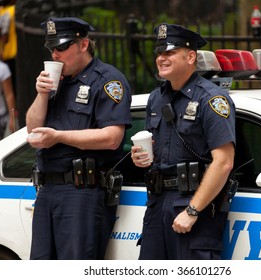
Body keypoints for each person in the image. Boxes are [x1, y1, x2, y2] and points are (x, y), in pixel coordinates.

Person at [26, 17, 132, 260]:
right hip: (47, 188)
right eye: (52, 48)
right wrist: (42, 95)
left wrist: (59, 137)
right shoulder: (54, 81)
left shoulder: (107, 81)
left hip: (82, 190)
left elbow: (112, 138)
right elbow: (31, 129)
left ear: (83, 45)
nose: (55, 55)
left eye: (62, 48)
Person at [131, 23, 236, 260]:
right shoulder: (156, 98)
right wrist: (140, 158)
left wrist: (193, 209)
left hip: (193, 202)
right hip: (157, 203)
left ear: (190, 56)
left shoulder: (212, 99)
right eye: (159, 53)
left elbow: (223, 162)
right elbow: (156, 150)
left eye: (169, 52)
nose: (161, 58)